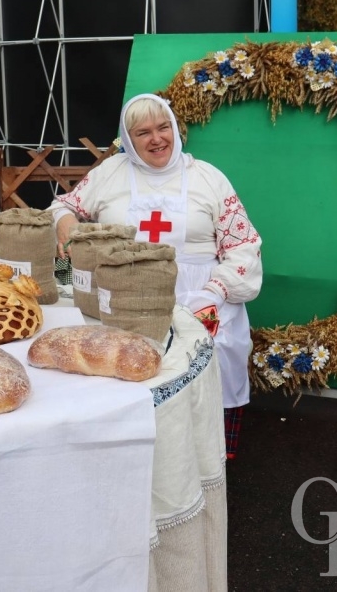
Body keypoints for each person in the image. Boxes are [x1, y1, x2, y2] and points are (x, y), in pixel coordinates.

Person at [48, 93, 263, 458]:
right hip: (126, 293)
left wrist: (215, 291)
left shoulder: (208, 178)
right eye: (143, 132)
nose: (156, 139)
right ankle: (132, 453)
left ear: (176, 129)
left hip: (199, 295)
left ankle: (206, 457)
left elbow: (243, 245)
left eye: (163, 127)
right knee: (127, 368)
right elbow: (63, 206)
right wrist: (67, 224)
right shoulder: (110, 172)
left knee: (206, 366)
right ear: (129, 139)